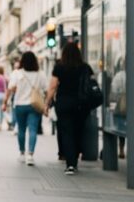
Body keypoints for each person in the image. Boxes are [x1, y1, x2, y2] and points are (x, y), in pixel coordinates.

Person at [45, 43, 94, 175]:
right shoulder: (85, 67)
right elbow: (91, 84)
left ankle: (70, 164)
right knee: (78, 132)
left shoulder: (60, 67)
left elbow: (53, 86)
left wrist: (47, 103)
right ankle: (75, 161)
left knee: (67, 133)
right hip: (81, 104)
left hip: (64, 104)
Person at [3, 51, 47, 166]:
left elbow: (10, 89)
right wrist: (46, 104)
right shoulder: (40, 74)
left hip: (20, 105)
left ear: (22, 61)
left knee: (21, 130)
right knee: (33, 130)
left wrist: (5, 102)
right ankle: (30, 155)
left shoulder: (17, 73)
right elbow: (46, 90)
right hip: (34, 105)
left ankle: (22, 154)